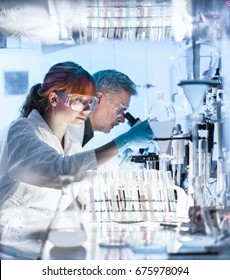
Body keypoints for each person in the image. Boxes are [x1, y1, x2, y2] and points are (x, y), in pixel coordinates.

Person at [0, 61, 153, 259]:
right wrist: (125, 140)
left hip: (36, 253)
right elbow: (61, 172)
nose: (86, 109)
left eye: (90, 102)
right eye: (78, 101)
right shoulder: (21, 131)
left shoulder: (70, 143)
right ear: (54, 99)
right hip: (8, 254)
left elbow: (79, 188)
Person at [77, 69, 137, 147]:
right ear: (98, 98)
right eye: (120, 109)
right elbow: (68, 159)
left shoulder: (84, 132)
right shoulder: (69, 130)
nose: (122, 119)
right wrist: (125, 142)